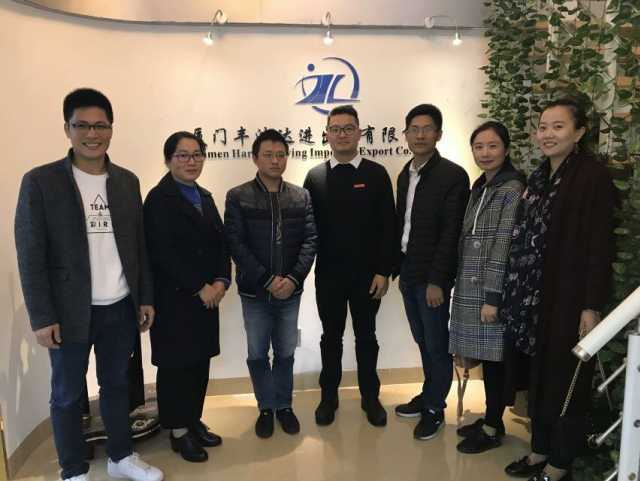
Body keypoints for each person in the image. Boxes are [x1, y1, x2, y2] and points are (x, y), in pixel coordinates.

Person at [14, 88, 163, 481]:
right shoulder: (41, 182)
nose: (91, 134)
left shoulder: (126, 181)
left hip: (120, 306)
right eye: (82, 125)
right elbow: (30, 254)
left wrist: (145, 297)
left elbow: (139, 246)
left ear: (111, 129)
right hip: (68, 312)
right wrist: (41, 315)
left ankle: (120, 457)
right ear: (67, 129)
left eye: (100, 125)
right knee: (66, 394)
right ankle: (73, 470)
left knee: (116, 386)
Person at [501, 99, 618, 481]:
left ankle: (560, 464)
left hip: (569, 299)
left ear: (579, 132)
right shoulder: (540, 176)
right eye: (543, 127)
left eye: (558, 126)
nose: (547, 134)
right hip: (536, 297)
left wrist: (591, 306)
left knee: (567, 380)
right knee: (540, 377)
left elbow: (600, 246)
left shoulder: (592, 176)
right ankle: (539, 450)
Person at [304, 105, 396, 428]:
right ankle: (328, 396)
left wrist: (384, 271)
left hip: (367, 277)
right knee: (331, 338)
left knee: (366, 336)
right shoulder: (315, 177)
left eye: (348, 128)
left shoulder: (376, 174)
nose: (341, 134)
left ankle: (370, 396)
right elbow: (307, 230)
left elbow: (389, 226)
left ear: (359, 132)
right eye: (335, 129)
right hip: (329, 275)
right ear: (327, 134)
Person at [143, 131, 231, 462]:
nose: (191, 161)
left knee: (199, 363)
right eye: (182, 155)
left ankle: (193, 420)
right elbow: (162, 253)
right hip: (175, 300)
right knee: (176, 366)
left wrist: (221, 280)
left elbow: (221, 243)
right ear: (168, 160)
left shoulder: (204, 196)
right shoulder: (158, 199)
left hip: (207, 297)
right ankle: (178, 432)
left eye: (197, 155)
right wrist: (200, 287)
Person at [225, 129, 317, 439]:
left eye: (280, 155)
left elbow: (310, 241)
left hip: (291, 292)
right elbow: (236, 244)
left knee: (286, 352)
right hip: (254, 292)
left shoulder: (301, 196)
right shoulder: (238, 196)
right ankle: (266, 407)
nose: (275, 160)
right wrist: (266, 279)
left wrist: (293, 279)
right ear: (255, 158)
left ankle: (284, 406)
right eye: (268, 155)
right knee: (257, 354)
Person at [392, 103, 470, 440]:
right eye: (414, 129)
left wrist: (438, 280)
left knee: (437, 345)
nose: (420, 135)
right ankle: (428, 395)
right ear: (406, 134)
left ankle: (436, 408)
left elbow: (452, 232)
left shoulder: (453, 176)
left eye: (427, 129)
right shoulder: (405, 174)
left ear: (438, 134)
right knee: (423, 341)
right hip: (408, 273)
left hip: (431, 278)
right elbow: (403, 224)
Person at [448, 121, 526, 453]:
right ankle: (490, 420)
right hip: (471, 285)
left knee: (495, 361)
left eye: (493, 146)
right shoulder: (481, 186)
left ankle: (493, 427)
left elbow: (503, 244)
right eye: (478, 146)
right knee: (486, 357)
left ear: (506, 149)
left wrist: (493, 297)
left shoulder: (512, 188)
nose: (485, 153)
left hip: (490, 290)